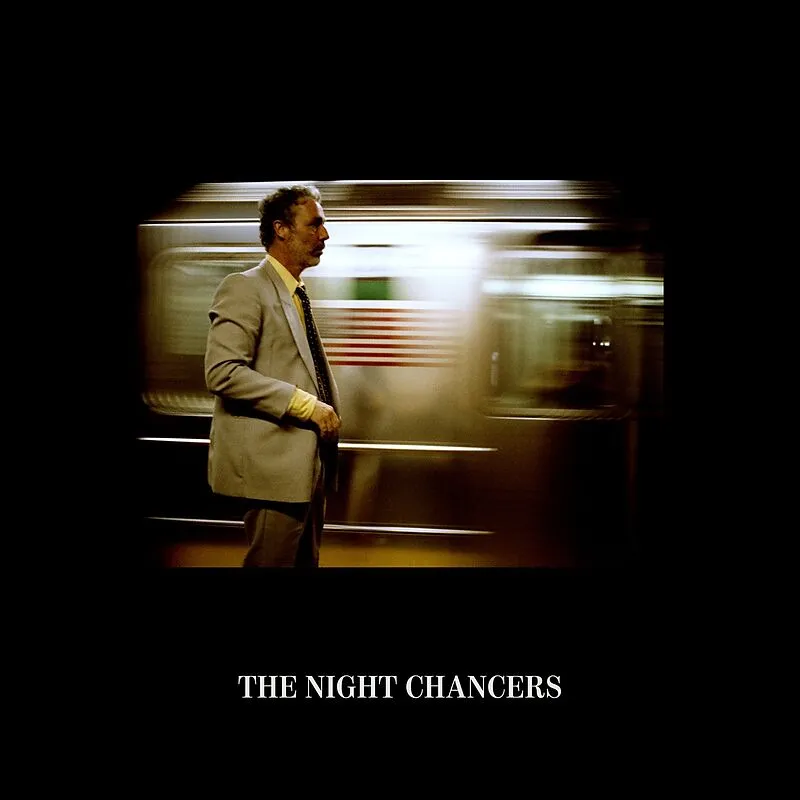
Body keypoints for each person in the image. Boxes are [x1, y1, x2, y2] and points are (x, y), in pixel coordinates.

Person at [204, 184, 341, 567]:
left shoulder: (295, 294)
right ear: (281, 229)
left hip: (307, 466)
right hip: (274, 471)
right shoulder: (246, 288)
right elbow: (223, 373)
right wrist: (307, 405)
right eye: (314, 225)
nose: (325, 235)